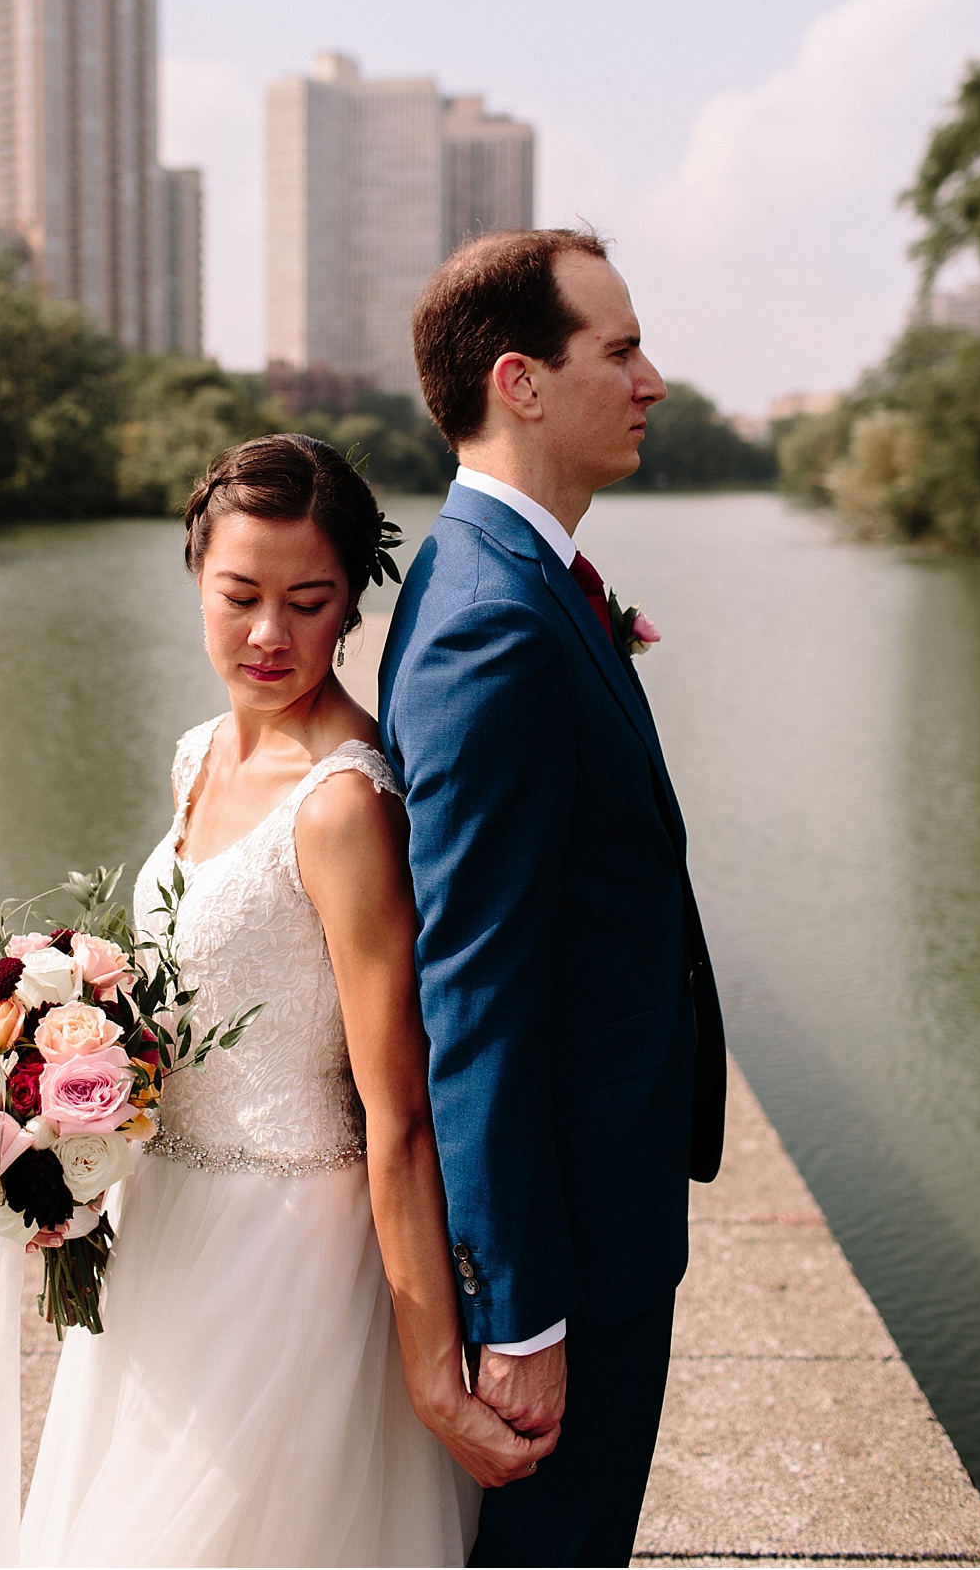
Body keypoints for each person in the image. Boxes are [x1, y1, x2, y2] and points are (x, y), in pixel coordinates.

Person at [20, 434, 545, 1566]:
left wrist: (429, 1370)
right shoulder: (196, 755)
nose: (269, 634)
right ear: (197, 580)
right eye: (240, 595)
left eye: (308, 601)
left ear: (349, 604)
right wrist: (47, 1136)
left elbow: (398, 1114)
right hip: (161, 1232)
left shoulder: (344, 806)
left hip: (289, 1261)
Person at [381, 232, 728, 1568]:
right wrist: (518, 1315)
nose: (653, 379)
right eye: (622, 348)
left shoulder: (516, 577)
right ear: (521, 381)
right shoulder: (493, 621)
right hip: (573, 1251)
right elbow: (473, 987)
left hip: (604, 1208)